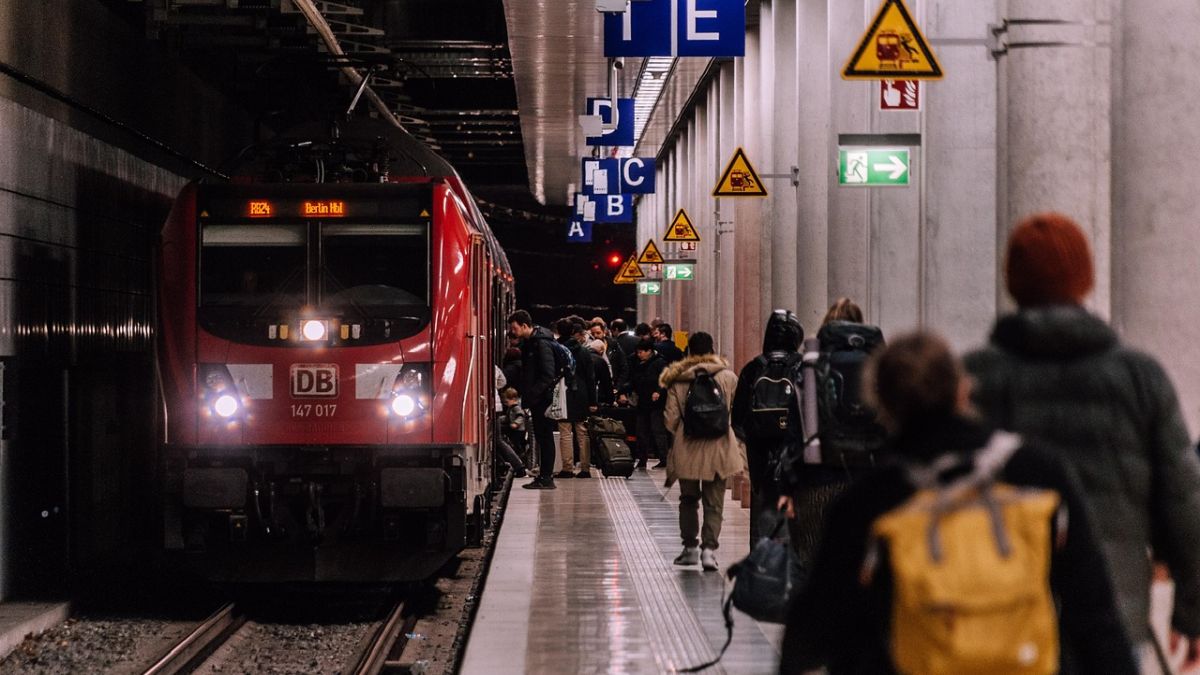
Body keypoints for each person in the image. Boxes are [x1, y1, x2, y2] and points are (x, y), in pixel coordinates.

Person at [779, 332, 1137, 675]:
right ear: (963, 389)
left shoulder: (868, 500)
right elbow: (1094, 612)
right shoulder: (1037, 472)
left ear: (883, 403)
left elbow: (815, 622)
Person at [964, 213, 1200, 669]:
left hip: (998, 615)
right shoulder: (1138, 377)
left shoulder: (975, 377)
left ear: (1013, 283)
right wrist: (1191, 613)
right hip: (1111, 615)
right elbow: (1184, 503)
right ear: (1085, 281)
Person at [661, 332, 743, 571]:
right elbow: (736, 413)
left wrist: (683, 430)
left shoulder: (678, 380)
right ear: (712, 350)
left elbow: (670, 418)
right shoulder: (728, 377)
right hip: (719, 447)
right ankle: (709, 551)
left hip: (687, 447)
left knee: (688, 499)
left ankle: (689, 548)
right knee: (714, 501)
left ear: (688, 352)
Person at [731, 310, 805, 545]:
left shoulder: (754, 368)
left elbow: (738, 417)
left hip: (759, 452)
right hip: (795, 451)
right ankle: (792, 560)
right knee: (797, 505)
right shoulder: (802, 367)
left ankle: (762, 559)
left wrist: (755, 438)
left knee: (762, 503)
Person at [508, 310, 560, 490]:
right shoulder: (533, 342)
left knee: (545, 438)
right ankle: (544, 476)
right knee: (542, 437)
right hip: (538, 398)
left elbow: (547, 374)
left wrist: (532, 395)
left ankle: (547, 478)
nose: (512, 332)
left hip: (542, 399)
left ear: (524, 325)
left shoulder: (541, 343)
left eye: (514, 328)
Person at [554, 319, 597, 479]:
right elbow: (590, 378)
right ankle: (585, 468)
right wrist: (593, 401)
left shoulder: (555, 349)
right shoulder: (584, 351)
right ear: (573, 331)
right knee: (582, 432)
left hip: (562, 393)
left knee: (565, 432)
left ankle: (567, 468)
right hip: (581, 394)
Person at [622, 339, 669, 469]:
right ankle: (642, 459)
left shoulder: (660, 362)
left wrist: (658, 391)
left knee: (658, 430)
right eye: (638, 352)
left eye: (641, 352)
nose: (639, 354)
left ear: (649, 351)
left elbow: (665, 379)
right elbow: (634, 380)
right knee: (641, 431)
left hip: (656, 403)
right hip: (643, 401)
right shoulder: (638, 362)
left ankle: (664, 459)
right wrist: (623, 390)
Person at [493, 366, 526, 478]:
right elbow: (503, 381)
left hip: (490, 407)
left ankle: (518, 465)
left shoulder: (516, 408)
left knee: (497, 440)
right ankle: (503, 464)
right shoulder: (495, 368)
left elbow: (520, 416)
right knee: (497, 440)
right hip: (495, 407)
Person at [590, 319, 627, 392]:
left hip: (612, 386)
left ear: (604, 332)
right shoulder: (589, 348)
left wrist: (618, 387)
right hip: (597, 389)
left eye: (598, 333)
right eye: (593, 334)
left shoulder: (613, 345)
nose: (595, 336)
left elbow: (624, 367)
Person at [500, 387, 529, 466]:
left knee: (518, 445)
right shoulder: (511, 408)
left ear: (513, 399)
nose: (506, 403)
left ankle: (521, 461)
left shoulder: (516, 408)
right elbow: (507, 418)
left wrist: (516, 423)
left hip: (518, 430)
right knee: (514, 444)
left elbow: (521, 416)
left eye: (507, 401)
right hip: (514, 429)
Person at [587, 339, 615, 406]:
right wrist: (611, 400)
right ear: (601, 350)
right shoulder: (600, 361)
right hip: (594, 393)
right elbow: (606, 382)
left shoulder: (582, 356)